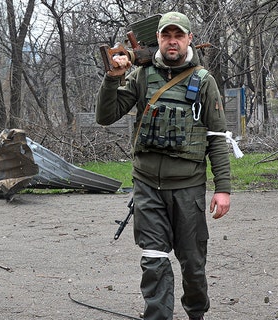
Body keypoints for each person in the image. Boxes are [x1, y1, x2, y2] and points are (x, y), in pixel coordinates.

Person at [95, 11, 231, 320]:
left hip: (187, 188)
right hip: (147, 186)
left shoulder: (203, 81)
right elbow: (106, 116)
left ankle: (196, 312)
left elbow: (217, 137)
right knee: (153, 259)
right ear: (157, 38)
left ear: (188, 39)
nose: (172, 42)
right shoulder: (141, 75)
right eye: (166, 36)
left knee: (193, 264)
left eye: (178, 36)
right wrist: (112, 79)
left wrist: (223, 189)